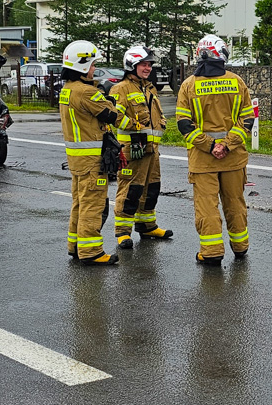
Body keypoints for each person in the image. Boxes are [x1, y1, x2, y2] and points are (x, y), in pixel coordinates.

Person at [176, 34, 255, 266]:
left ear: (201, 53)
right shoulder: (237, 82)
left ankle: (211, 252)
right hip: (233, 158)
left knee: (207, 206)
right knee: (235, 203)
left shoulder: (188, 85)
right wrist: (227, 145)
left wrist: (210, 146)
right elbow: (247, 120)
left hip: (203, 160)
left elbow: (184, 124)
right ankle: (240, 247)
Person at [60, 40, 128, 266]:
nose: (93, 69)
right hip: (92, 159)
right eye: (91, 65)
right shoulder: (87, 92)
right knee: (93, 205)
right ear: (81, 66)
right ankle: (91, 252)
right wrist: (109, 98)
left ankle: (75, 246)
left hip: (77, 160)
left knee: (79, 203)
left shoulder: (67, 90)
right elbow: (112, 115)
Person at [109, 46, 173, 249]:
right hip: (132, 150)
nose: (147, 68)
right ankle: (122, 232)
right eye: (143, 64)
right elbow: (116, 117)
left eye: (149, 65)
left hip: (152, 150)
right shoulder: (120, 89)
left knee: (151, 189)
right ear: (131, 65)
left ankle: (147, 226)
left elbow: (155, 114)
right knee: (130, 190)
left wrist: (162, 121)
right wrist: (134, 126)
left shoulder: (150, 88)